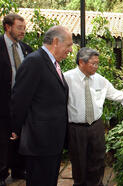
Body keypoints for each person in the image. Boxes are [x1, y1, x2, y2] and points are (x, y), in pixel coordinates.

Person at [64, 47, 123, 186]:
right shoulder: (66, 78)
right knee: (79, 161)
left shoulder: (100, 80)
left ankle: (97, 183)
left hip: (96, 126)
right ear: (81, 62)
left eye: (98, 63)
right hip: (76, 128)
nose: (96, 66)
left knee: (98, 159)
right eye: (93, 63)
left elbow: (114, 94)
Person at [10, 25, 73, 186]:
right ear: (56, 42)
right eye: (68, 45)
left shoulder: (53, 63)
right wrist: (15, 129)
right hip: (39, 142)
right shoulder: (34, 62)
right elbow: (20, 99)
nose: (70, 50)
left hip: (52, 141)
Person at [0, 13, 33, 186]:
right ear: (8, 27)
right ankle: (1, 175)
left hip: (22, 103)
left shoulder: (26, 49)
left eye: (24, 28)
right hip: (3, 102)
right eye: (19, 28)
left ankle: (19, 169)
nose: (23, 32)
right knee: (3, 139)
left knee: (21, 136)